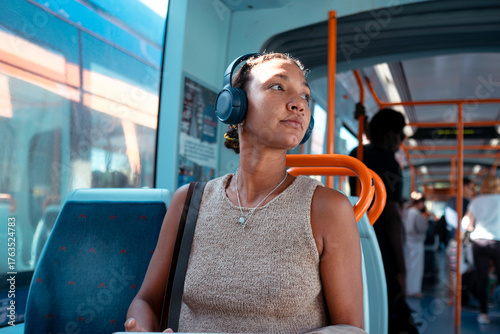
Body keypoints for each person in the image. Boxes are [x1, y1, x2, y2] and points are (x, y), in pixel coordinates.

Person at [125, 53, 366, 333]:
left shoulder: (327, 209)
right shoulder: (190, 201)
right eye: (278, 86)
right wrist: (139, 328)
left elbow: (350, 327)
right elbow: (146, 301)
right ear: (234, 104)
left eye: (305, 96)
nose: (299, 104)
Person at [349, 108, 418, 334]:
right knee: (385, 299)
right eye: (400, 136)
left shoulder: (355, 153)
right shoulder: (390, 163)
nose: (401, 142)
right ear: (390, 135)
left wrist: (364, 120)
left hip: (352, 234)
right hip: (381, 245)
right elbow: (391, 218)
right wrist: (401, 266)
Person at [462, 175, 500, 325]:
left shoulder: (476, 201)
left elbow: (468, 225)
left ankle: (483, 313)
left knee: (482, 277)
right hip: (498, 241)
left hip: (479, 242)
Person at [402, 192, 428, 298]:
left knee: (409, 267)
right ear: (421, 203)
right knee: (416, 268)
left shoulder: (407, 212)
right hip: (416, 243)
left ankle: (408, 289)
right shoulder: (416, 213)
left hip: (408, 241)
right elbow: (421, 228)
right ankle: (414, 290)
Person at [444, 178, 476, 245]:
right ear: (464, 187)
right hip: (458, 239)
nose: (473, 192)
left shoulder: (466, 201)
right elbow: (457, 224)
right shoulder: (455, 202)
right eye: (472, 189)